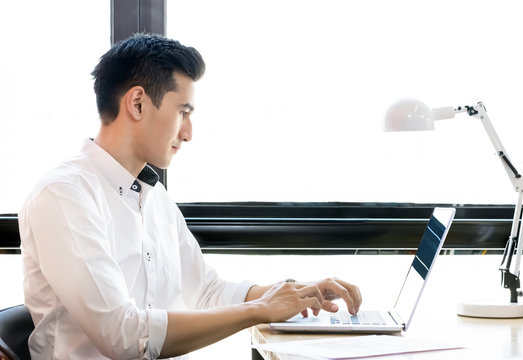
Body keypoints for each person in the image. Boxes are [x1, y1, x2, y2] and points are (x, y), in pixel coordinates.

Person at [18, 33, 362, 359]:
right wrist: (260, 310)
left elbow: (207, 292)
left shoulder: (155, 198)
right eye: (183, 112)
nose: (189, 132)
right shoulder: (64, 195)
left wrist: (293, 294)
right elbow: (121, 336)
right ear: (137, 103)